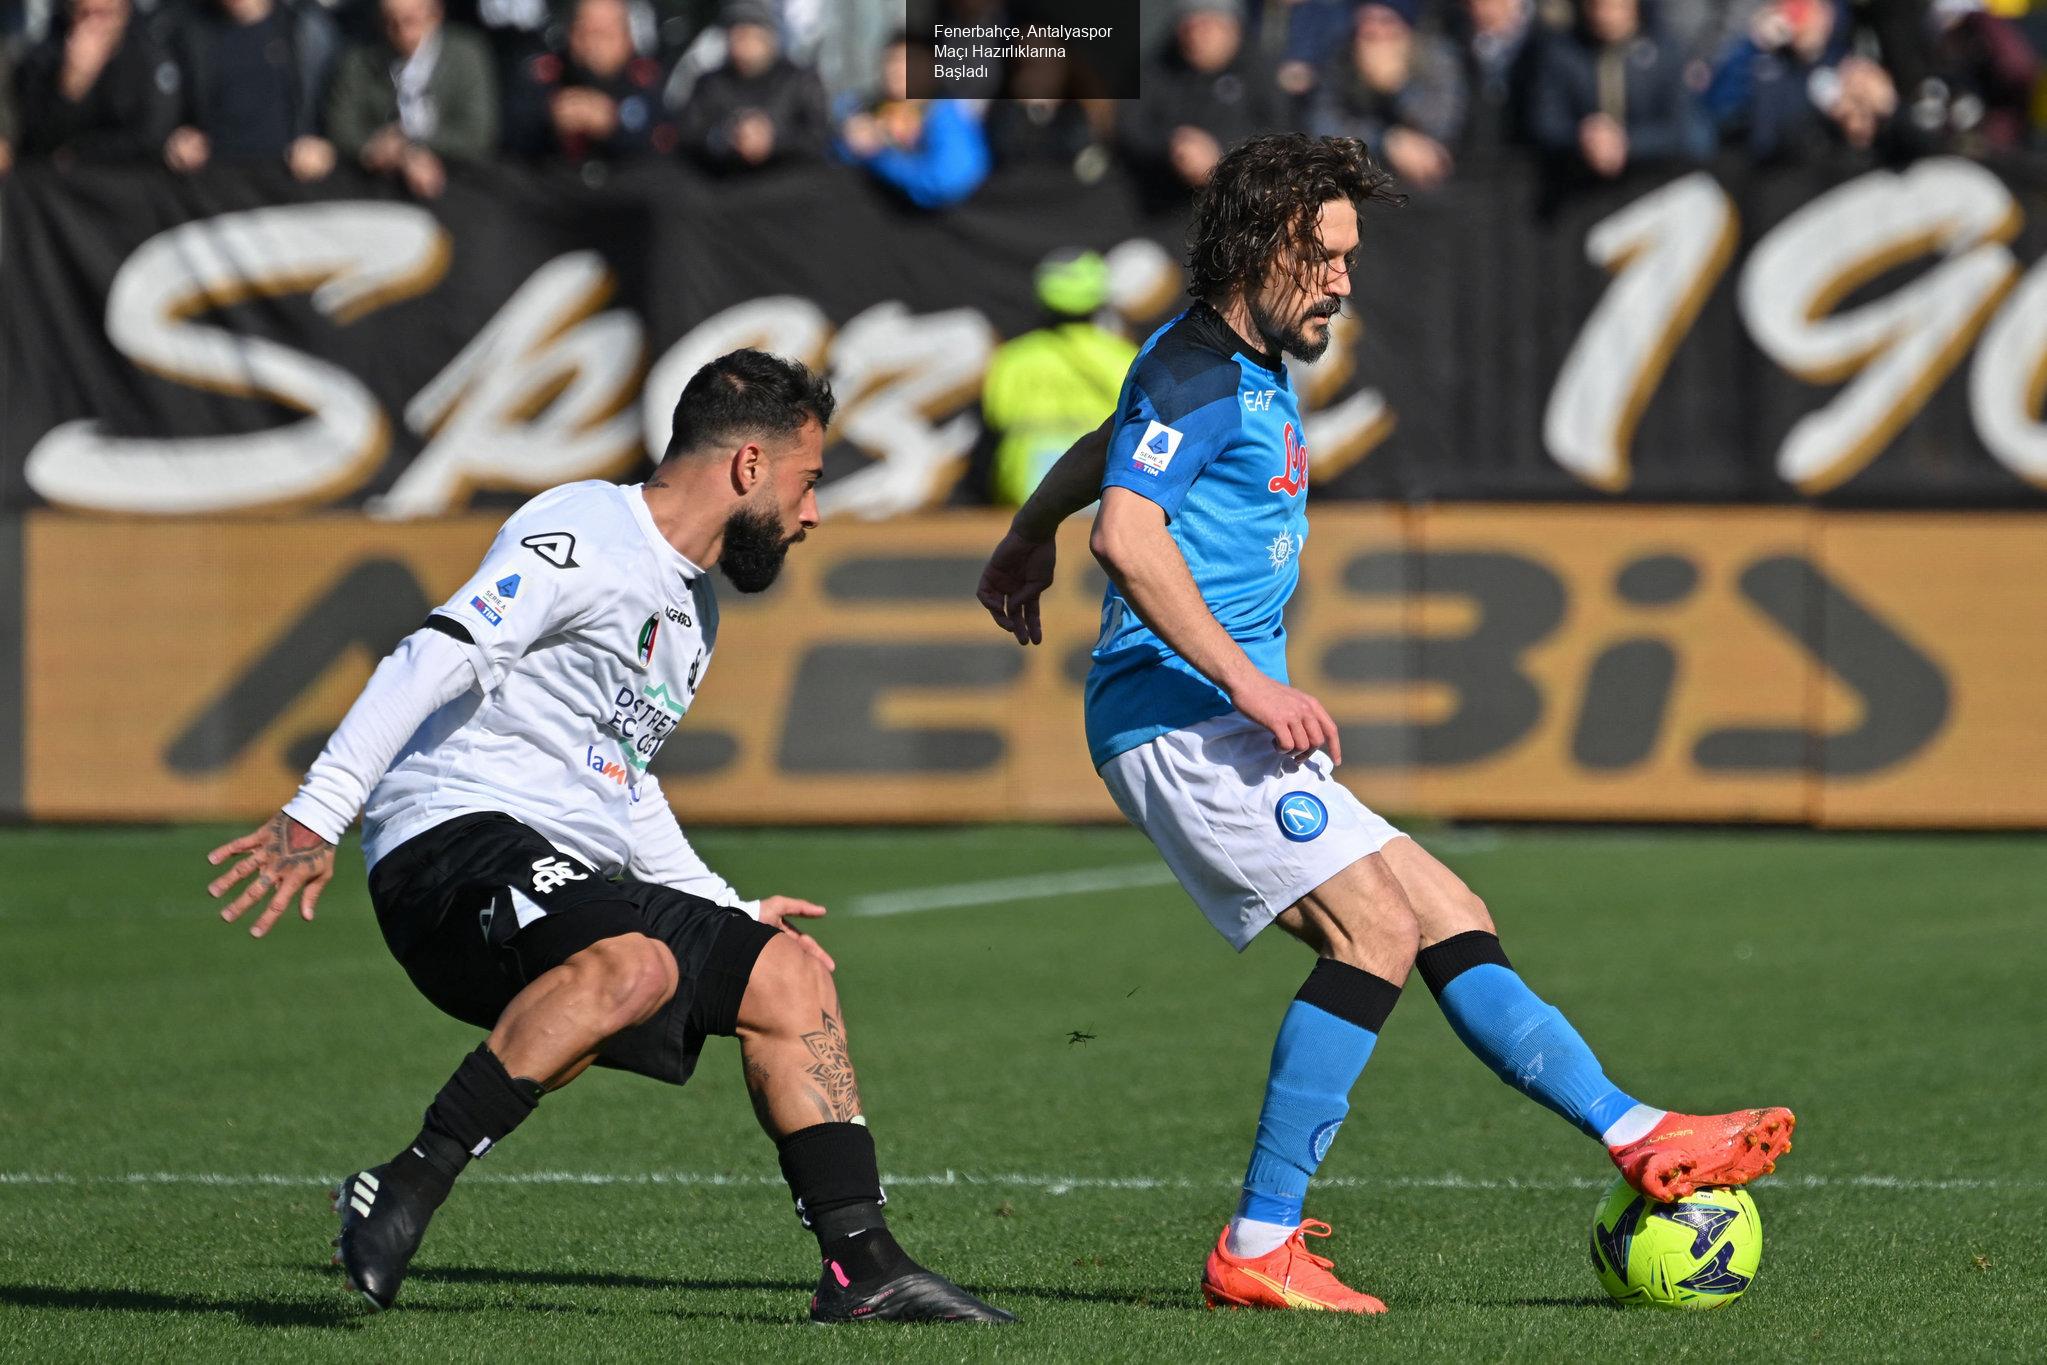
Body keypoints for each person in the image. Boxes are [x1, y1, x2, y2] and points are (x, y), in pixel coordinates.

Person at [974, 133, 1795, 1314]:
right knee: (1374, 933)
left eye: (1352, 255)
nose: (1346, 280)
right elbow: (1131, 534)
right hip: (1182, 721)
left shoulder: (1226, 365)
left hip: (1215, 720)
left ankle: (1636, 1131)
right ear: (1261, 248)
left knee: (1447, 911)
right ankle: (1257, 1245)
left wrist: (1020, 531)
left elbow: (1118, 453)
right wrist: (1251, 685)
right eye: (1326, 255)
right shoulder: (1200, 368)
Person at [205, 350, 1014, 1327]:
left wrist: (728, 906)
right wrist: (317, 812)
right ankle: (405, 1184)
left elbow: (621, 786)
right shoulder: (585, 528)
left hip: (561, 866)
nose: (812, 515)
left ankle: (863, 1265)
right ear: (749, 467)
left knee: (790, 976)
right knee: (635, 968)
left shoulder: (694, 609)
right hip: (448, 841)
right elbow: (436, 653)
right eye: (808, 483)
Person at [979, 249, 1138, 507]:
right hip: (1099, 486)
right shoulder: (1125, 357)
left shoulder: (1012, 358)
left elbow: (997, 416)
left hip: (1024, 492)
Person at [326, 0, 498, 198]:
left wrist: (413, 147)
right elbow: (342, 127)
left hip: (454, 179)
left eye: (411, 21)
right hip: (376, 181)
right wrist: (383, 150)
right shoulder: (360, 59)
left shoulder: (467, 55)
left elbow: (476, 134)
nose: (402, 32)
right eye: (390, 22)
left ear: (435, 15)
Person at [1120, 0, 1283, 199]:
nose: (1196, 37)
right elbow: (1132, 128)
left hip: (1245, 196)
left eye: (1206, 27)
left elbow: (1283, 132)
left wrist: (1223, 156)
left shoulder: (1260, 69)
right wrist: (1175, 146)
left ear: (1232, 28)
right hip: (1163, 199)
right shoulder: (1159, 68)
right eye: (1188, 27)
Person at [163, 0, 340, 180]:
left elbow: (334, 110)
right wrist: (178, 139)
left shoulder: (306, 31)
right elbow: (165, 106)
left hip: (291, 179)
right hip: (211, 181)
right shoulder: (185, 31)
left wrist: (324, 146)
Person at [1704, 0, 1900, 161]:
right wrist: (1754, 45)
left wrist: (1882, 106)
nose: (1804, 17)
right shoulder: (1766, 65)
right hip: (1782, 176)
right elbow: (1718, 110)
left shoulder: (1849, 58)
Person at [1528, 0, 1704, 180]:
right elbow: (1546, 122)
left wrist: (1627, 143)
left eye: (1617, 6)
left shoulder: (1665, 51)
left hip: (1652, 176)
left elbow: (1677, 127)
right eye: (1597, 6)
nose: (1605, 16)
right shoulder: (1561, 52)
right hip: (1578, 181)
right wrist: (1585, 138)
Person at [1306, 0, 1467, 192]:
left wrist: (1397, 88)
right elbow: (1323, 124)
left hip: (1433, 187)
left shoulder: (1436, 57)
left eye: (1386, 22)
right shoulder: (1343, 58)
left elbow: (1442, 125)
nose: (1376, 31)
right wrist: (1385, 140)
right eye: (1366, 22)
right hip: (1367, 183)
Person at [508, 0, 676, 162]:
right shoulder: (548, 71)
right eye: (584, 31)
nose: (593, 44)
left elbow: (664, 140)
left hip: (629, 180)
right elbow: (513, 131)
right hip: (555, 179)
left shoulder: (648, 78)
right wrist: (550, 118)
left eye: (605, 33)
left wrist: (613, 124)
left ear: (628, 37)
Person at [834, 31, 988, 209]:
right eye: (892, 60)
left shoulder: (946, 114)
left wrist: (878, 154)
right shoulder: (862, 108)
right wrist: (848, 143)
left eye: (910, 61)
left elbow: (948, 180)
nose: (898, 70)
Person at [12, 0, 178, 162]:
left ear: (124, 13)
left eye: (104, 14)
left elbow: (152, 135)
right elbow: (36, 143)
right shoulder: (44, 60)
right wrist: (71, 88)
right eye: (85, 14)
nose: (94, 25)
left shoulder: (150, 56)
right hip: (58, 183)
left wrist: (80, 151)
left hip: (129, 179)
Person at [676, 0, 829, 172]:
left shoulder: (800, 81)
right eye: (737, 36)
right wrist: (727, 137)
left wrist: (773, 140)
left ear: (769, 38)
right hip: (726, 181)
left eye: (750, 35)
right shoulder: (711, 84)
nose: (744, 46)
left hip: (787, 179)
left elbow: (818, 137)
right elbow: (689, 135)